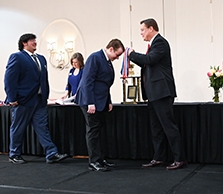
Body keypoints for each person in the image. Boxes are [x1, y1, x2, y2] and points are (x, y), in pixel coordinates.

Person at [127, 18, 186, 170]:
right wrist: (132, 57)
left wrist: (132, 54)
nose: (141, 33)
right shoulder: (153, 45)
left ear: (151, 29)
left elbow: (150, 59)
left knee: (168, 126)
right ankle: (159, 157)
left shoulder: (160, 42)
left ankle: (180, 159)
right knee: (156, 128)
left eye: (142, 30)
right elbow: (147, 62)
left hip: (162, 92)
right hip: (153, 93)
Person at [4, 33, 68, 164]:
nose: (35, 42)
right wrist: (12, 98)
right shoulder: (17, 57)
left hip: (39, 99)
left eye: (35, 40)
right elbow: (9, 80)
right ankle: (14, 154)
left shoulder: (42, 58)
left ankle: (51, 153)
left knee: (42, 127)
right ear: (24, 43)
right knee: (18, 127)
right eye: (32, 40)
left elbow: (43, 79)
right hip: (23, 100)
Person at [75, 39, 125, 172]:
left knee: (99, 131)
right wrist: (90, 102)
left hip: (100, 101)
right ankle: (94, 161)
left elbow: (105, 84)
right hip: (90, 101)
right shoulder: (95, 58)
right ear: (111, 49)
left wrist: (109, 100)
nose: (117, 58)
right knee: (93, 131)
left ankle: (100, 158)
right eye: (117, 54)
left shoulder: (106, 61)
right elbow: (87, 82)